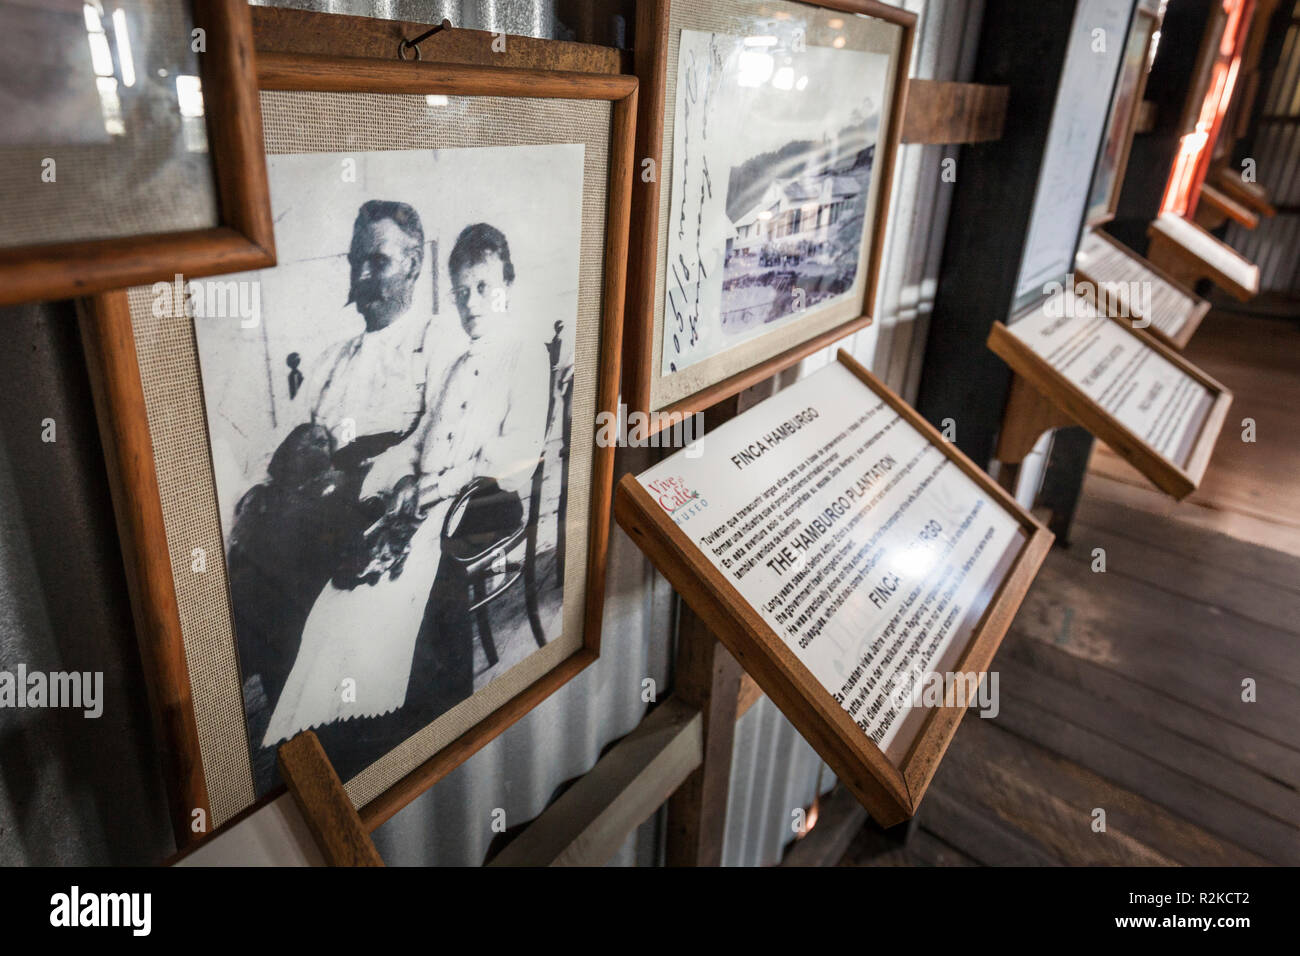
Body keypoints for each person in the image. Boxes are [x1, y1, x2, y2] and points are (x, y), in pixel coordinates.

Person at [230, 200, 436, 792]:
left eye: (378, 260)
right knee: (251, 572)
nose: (363, 277)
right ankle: (300, 748)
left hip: (375, 513)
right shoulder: (329, 360)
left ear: (414, 263)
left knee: (296, 573)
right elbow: (283, 450)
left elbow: (435, 446)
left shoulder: (433, 344)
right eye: (356, 262)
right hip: (310, 515)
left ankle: (339, 757)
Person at [400, 223, 554, 724]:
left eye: (484, 287)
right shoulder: (457, 362)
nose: (472, 302)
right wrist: (401, 478)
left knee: (428, 570)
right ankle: (390, 705)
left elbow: (518, 460)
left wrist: (444, 482)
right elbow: (424, 435)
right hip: (441, 496)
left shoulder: (525, 353)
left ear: (506, 284)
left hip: (488, 502)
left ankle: (441, 712)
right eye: (462, 292)